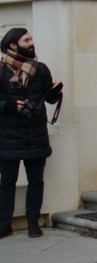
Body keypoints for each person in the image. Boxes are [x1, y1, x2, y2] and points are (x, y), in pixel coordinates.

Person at [0, 28, 62, 238]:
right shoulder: (1, 70)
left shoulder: (41, 69)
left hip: (35, 133)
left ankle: (33, 222)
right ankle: (4, 225)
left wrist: (55, 91)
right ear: (12, 45)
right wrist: (10, 106)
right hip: (8, 136)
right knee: (7, 182)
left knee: (36, 180)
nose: (31, 42)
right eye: (26, 40)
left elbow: (50, 99)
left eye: (31, 38)